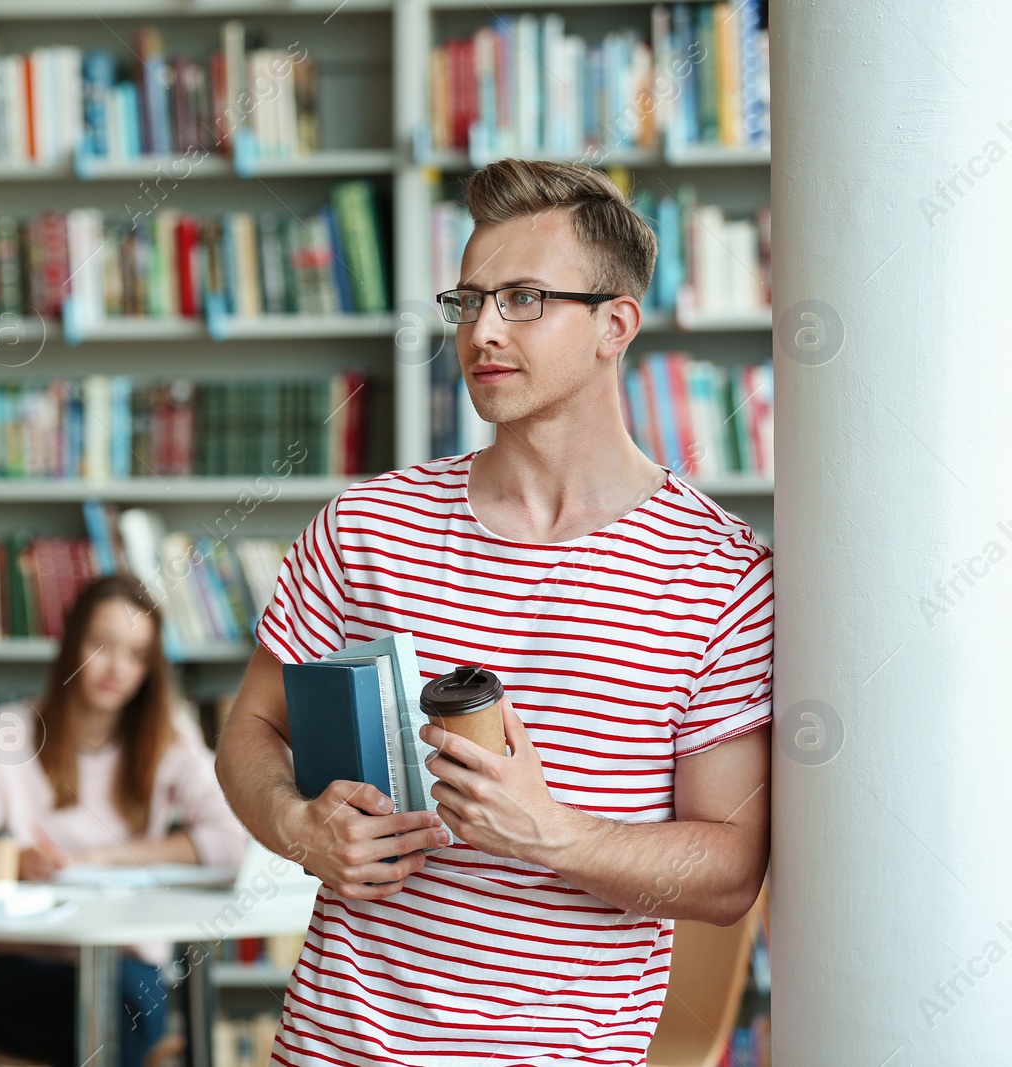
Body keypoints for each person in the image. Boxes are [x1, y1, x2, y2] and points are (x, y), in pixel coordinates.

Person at [214, 158, 773, 1066]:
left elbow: (728, 871)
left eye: (522, 299)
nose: (481, 330)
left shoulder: (717, 573)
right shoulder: (365, 528)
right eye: (468, 301)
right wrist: (299, 825)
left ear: (614, 325)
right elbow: (250, 730)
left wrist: (553, 831)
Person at [0, 574, 248, 1067]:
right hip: (20, 964)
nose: (117, 669)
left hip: (124, 968)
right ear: (70, 644)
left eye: (138, 655)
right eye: (101, 645)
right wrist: (16, 861)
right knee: (105, 1027)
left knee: (120, 1012)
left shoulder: (169, 737)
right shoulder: (9, 732)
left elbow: (234, 839)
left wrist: (106, 857)